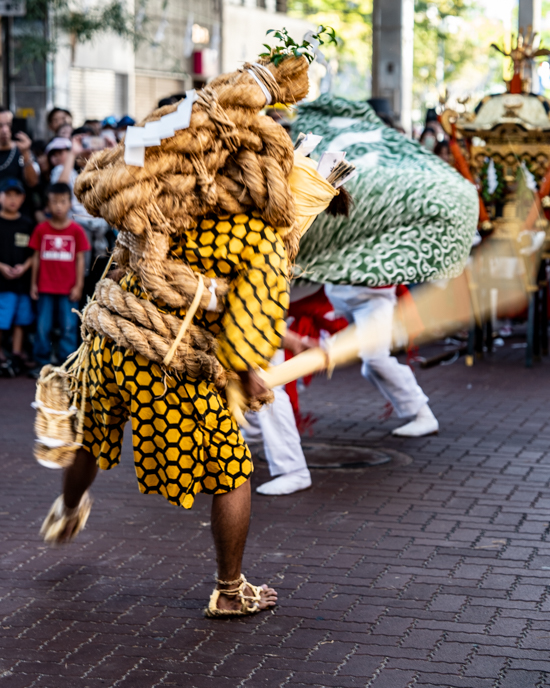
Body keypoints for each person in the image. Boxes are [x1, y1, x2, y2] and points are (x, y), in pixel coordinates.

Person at [325, 284, 439, 437]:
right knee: (305, 343)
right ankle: (286, 403)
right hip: (335, 294)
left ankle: (424, 415)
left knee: (375, 360)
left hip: (372, 296)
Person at [29, 182, 90, 372]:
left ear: (69, 204)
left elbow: (81, 260)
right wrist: (33, 284)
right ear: (47, 205)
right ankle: (42, 362)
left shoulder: (76, 230)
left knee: (69, 326)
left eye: (62, 202)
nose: (58, 206)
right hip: (45, 286)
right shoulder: (41, 229)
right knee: (42, 326)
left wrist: (79, 285)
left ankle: (68, 363)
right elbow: (36, 258)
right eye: (54, 202)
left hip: (68, 288)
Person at [0, 178, 35, 375]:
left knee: (21, 319)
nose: (12, 199)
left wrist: (25, 267)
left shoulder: (27, 223)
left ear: (23, 198)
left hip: (22, 281)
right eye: (8, 195)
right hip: (2, 283)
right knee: (2, 319)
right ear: (1, 197)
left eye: (17, 195)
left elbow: (33, 253)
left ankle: (16, 353)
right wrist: (1, 266)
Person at [0, 107, 39, 192]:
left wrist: (25, 153)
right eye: (0, 125)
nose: (5, 130)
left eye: (8, 124)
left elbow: (33, 182)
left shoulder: (22, 150)